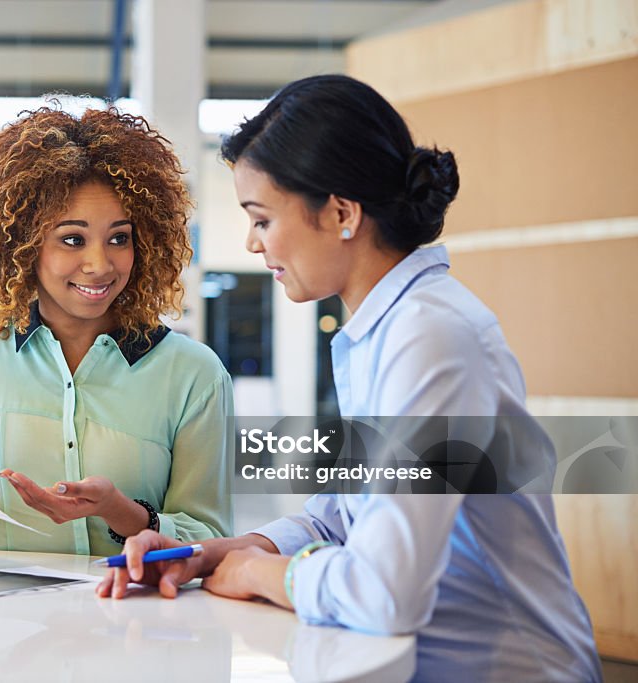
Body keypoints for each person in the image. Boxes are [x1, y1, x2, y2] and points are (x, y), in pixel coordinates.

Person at [96, 75, 601, 683]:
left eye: (261, 219)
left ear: (340, 212)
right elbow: (340, 517)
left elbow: (386, 594)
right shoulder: (378, 333)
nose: (253, 244)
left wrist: (260, 574)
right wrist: (209, 555)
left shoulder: (430, 336)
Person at [0, 105, 233, 556]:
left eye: (120, 238)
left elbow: (209, 539)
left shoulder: (194, 374)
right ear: (24, 244)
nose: (99, 264)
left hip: (132, 621)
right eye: (72, 239)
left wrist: (121, 512)